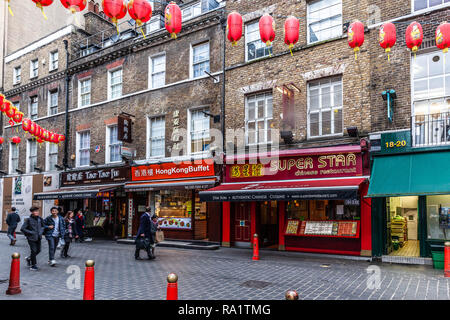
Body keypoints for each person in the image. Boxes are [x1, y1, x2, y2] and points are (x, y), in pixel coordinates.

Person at [20, 207, 46, 271]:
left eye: (37, 211)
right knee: (34, 251)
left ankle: (29, 258)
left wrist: (41, 231)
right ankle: (33, 265)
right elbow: (22, 229)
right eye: (35, 211)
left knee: (38, 250)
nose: (37, 212)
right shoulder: (28, 220)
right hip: (31, 238)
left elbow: (43, 226)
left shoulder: (40, 219)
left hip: (38, 237)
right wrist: (31, 233)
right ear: (32, 212)